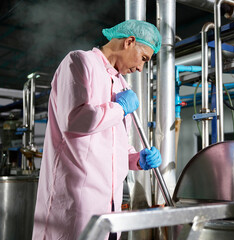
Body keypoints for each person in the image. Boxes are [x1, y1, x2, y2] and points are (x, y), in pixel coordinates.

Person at [32, 19, 162, 240]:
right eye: (143, 58)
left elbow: (116, 142)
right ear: (129, 41)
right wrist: (119, 107)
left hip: (111, 204)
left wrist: (136, 159)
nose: (141, 68)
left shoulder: (122, 84)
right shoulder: (79, 62)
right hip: (76, 201)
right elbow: (74, 120)